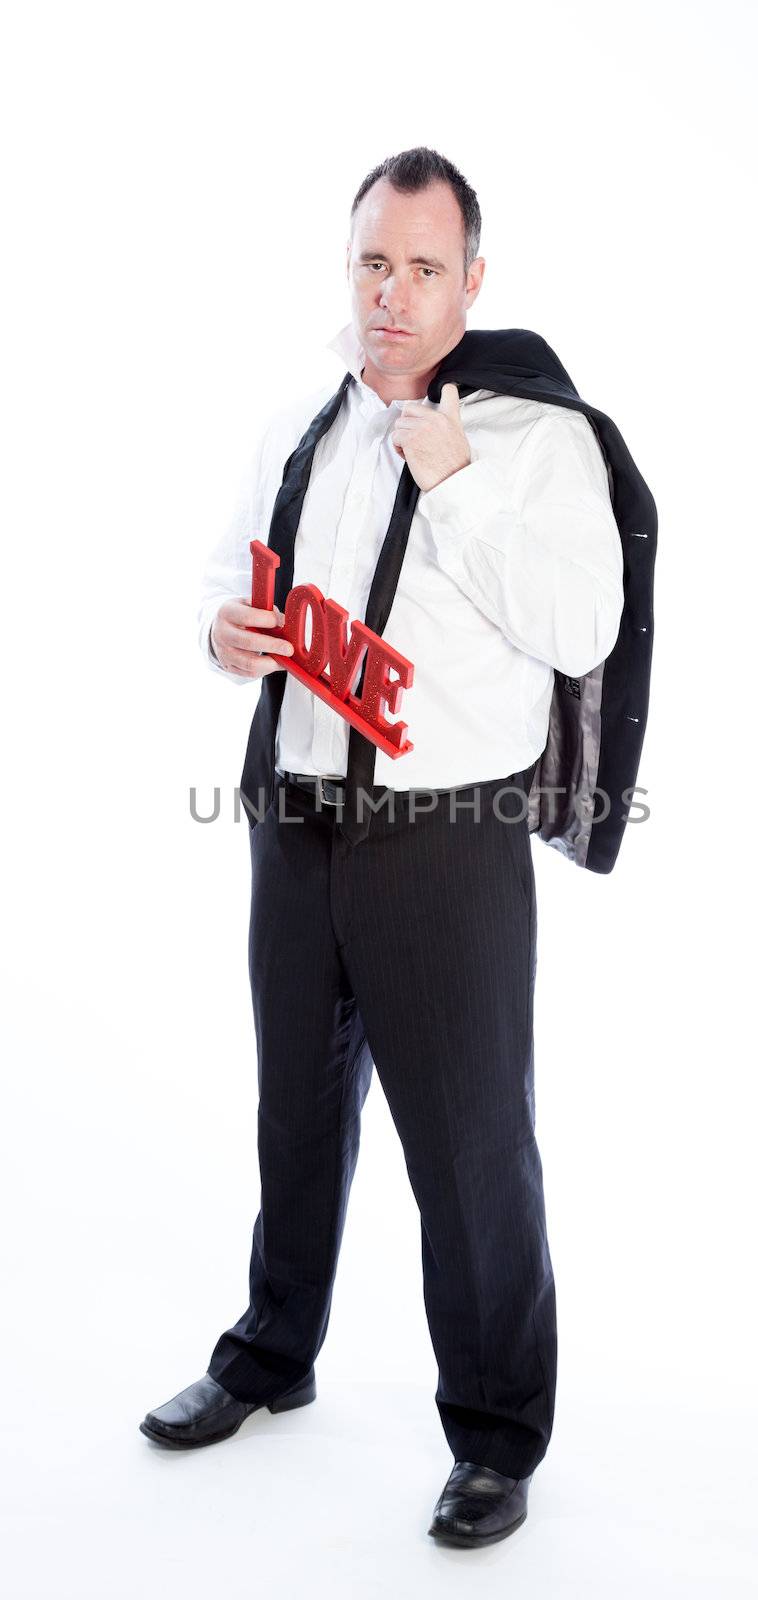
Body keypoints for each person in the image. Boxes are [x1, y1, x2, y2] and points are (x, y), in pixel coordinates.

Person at [140, 146, 625, 1549]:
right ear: (347, 264)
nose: (393, 295)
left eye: (424, 268)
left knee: (471, 1153)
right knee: (294, 1114)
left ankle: (494, 1437)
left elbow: (582, 630)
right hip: (292, 822)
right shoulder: (303, 418)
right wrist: (218, 634)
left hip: (446, 846)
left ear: (473, 281)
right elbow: (237, 571)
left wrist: (459, 479)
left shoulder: (541, 439)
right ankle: (271, 1354)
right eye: (373, 263)